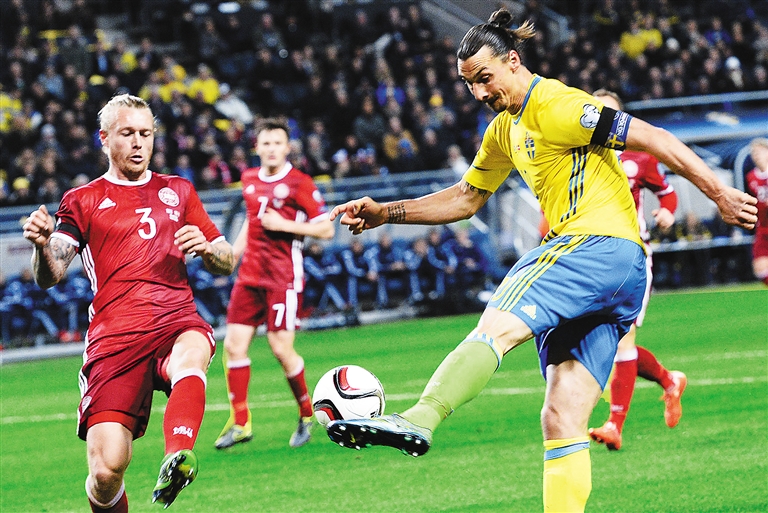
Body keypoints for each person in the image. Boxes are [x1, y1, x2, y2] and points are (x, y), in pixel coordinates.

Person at [326, 9, 757, 513]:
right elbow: (466, 198)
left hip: (592, 246)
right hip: (620, 274)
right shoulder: (503, 130)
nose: (479, 92)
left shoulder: (559, 106)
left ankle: (420, 417)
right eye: (469, 84)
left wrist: (719, 193)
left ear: (513, 61)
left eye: (484, 78)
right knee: (562, 416)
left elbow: (655, 138)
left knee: (495, 328)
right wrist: (387, 212)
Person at [21, 93, 236, 511]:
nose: (138, 142)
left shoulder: (178, 190)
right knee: (106, 472)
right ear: (104, 139)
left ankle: (177, 455)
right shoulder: (82, 200)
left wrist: (209, 250)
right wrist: (42, 246)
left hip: (175, 321)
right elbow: (50, 274)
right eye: (127, 133)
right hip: (115, 338)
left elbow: (226, 258)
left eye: (146, 133)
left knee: (192, 353)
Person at [214, 118, 335, 450]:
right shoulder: (249, 179)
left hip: (282, 277)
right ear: (257, 147)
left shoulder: (300, 183)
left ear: (287, 148)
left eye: (277, 143)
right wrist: (233, 255)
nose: (271, 149)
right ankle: (241, 423)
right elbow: (251, 223)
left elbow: (326, 229)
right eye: (265, 143)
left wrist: (285, 225)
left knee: (281, 349)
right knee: (233, 346)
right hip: (249, 276)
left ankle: (306, 414)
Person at [587, 89, 687, 451]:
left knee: (622, 340)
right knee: (607, 341)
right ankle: (669, 380)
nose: (603, 119)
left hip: (632, 255)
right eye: (597, 112)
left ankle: (614, 424)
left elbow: (667, 192)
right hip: (591, 258)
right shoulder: (579, 155)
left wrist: (668, 212)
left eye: (610, 113)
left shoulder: (638, 157)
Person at [745, 137, 768, 286]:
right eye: (753, 152)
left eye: (759, 151)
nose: (756, 155)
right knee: (760, 269)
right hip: (763, 229)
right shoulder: (751, 177)